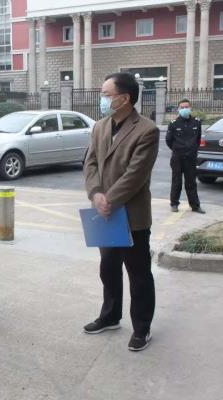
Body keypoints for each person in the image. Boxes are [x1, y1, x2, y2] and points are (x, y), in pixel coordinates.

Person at [83, 72, 159, 352]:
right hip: (105, 214)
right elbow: (90, 163)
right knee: (108, 268)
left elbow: (135, 175)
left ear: (124, 98)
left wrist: (109, 200)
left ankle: (142, 328)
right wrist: (95, 193)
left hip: (132, 215)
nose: (102, 99)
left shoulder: (147, 130)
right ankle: (110, 316)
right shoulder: (100, 126)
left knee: (138, 274)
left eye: (106, 95)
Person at [166, 99, 205, 214]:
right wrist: (178, 149)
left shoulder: (196, 122)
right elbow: (169, 140)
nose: (184, 109)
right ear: (178, 109)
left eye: (186, 107)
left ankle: (195, 206)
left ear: (190, 108)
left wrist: (192, 149)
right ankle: (174, 204)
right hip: (178, 157)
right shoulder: (174, 123)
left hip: (191, 157)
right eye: (182, 107)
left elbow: (198, 139)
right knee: (176, 182)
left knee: (191, 182)